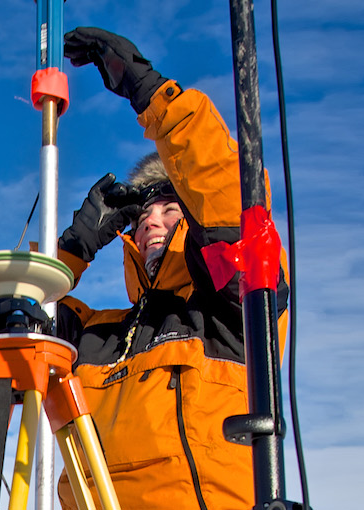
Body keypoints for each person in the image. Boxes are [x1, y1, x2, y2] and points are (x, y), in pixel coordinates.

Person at [53, 27, 290, 510]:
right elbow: (14, 325)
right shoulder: (95, 336)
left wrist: (149, 93)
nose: (153, 223)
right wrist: (75, 247)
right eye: (141, 217)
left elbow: (227, 205)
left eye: (170, 210)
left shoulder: (233, 313)